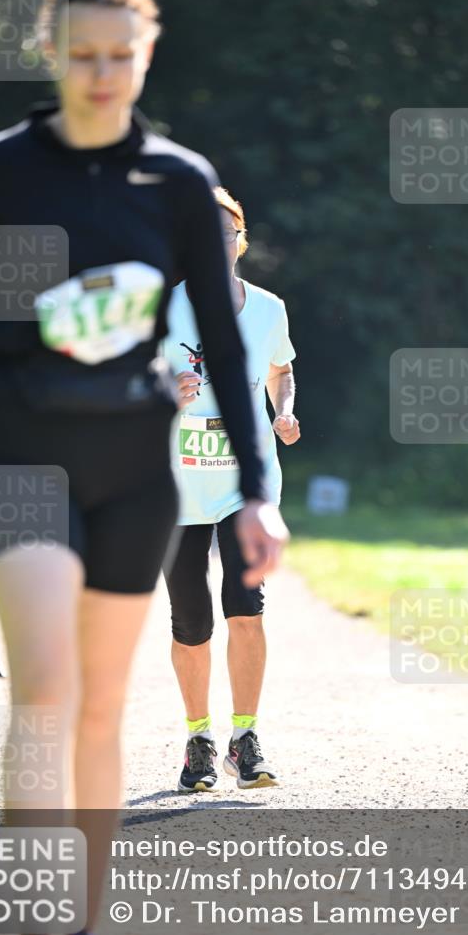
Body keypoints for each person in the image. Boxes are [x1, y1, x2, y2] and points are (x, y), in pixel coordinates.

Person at [0, 0, 288, 935]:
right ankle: (36, 927)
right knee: (42, 690)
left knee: (98, 705)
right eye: (82, 55)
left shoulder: (174, 181)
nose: (101, 74)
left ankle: (80, 924)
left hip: (135, 468)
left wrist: (259, 489)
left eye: (120, 55)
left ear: (146, 55)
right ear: (53, 54)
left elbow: (223, 335)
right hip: (22, 455)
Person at [162, 187, 300, 792]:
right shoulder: (159, 310)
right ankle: (199, 739)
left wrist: (284, 411)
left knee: (246, 609)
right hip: (175, 486)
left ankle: (245, 739)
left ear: (240, 239)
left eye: (225, 232)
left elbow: (280, 368)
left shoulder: (269, 309)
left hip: (246, 483)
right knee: (191, 621)